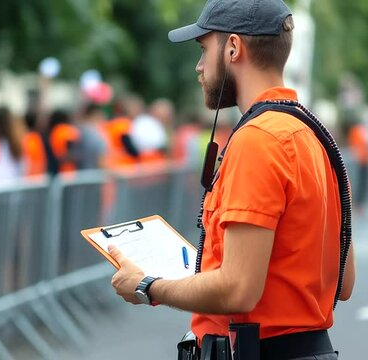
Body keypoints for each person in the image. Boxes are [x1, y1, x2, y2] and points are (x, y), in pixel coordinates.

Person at [108, 1, 355, 359]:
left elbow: (239, 289)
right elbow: (343, 283)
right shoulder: (316, 136)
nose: (199, 66)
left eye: (204, 49)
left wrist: (148, 286)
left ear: (234, 48)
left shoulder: (257, 140)